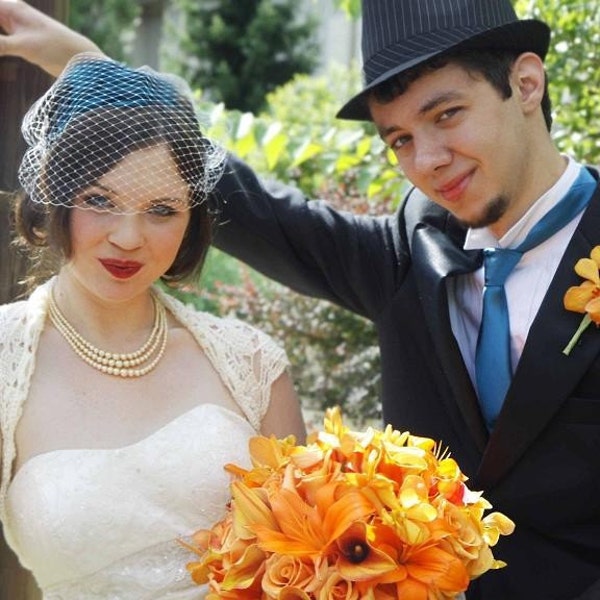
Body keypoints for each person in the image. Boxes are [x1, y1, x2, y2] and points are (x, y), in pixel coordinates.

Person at [1, 0, 599, 598]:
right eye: (399, 140)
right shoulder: (411, 251)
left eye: (446, 115)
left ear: (526, 83)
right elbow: (235, 201)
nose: (427, 161)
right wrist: (89, 70)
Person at [0, 51, 306, 599]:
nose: (128, 237)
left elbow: (308, 561)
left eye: (162, 209)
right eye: (99, 200)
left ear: (192, 218)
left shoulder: (252, 363)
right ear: (54, 193)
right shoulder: (4, 357)